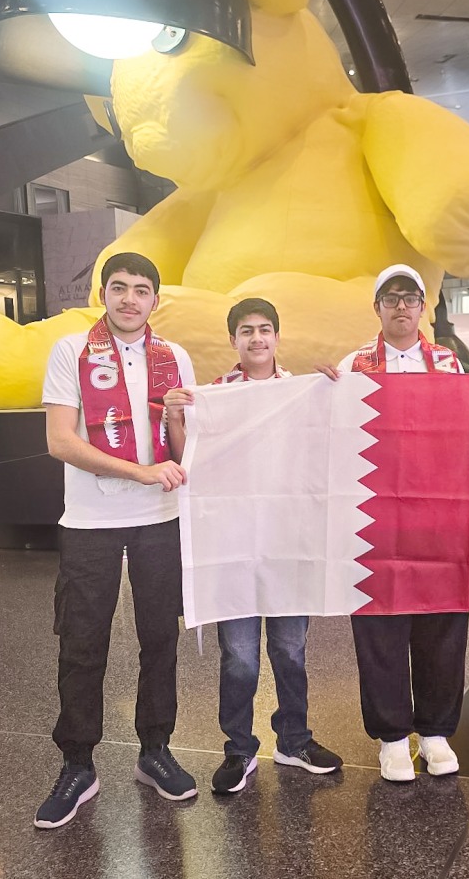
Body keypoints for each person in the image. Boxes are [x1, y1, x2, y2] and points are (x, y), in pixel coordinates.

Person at [35, 252, 197, 829]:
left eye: (142, 290)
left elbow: (183, 449)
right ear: (103, 294)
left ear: (156, 300)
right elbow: (60, 441)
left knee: (159, 638)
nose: (130, 299)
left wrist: (178, 420)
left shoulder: (174, 357)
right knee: (82, 642)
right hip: (89, 520)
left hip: (160, 516)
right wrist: (139, 472)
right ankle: (78, 763)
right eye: (120, 288)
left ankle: (155, 750)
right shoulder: (70, 351)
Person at [165, 298, 343, 795]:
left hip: (287, 540)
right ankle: (239, 749)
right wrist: (177, 418)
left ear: (278, 337)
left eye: (266, 329)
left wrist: (335, 391)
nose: (258, 339)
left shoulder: (299, 390)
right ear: (233, 341)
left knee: (291, 649)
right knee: (239, 657)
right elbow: (188, 465)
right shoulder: (213, 396)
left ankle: (294, 739)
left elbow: (329, 445)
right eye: (247, 331)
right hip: (235, 543)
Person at [317, 264, 467, 782]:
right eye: (391, 298)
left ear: (423, 308)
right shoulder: (354, 364)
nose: (401, 307)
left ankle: (436, 730)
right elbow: (333, 432)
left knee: (441, 620)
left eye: (410, 298)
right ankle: (391, 736)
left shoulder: (450, 363)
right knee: (379, 623)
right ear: (377, 307)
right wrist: (321, 393)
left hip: (438, 511)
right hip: (374, 515)